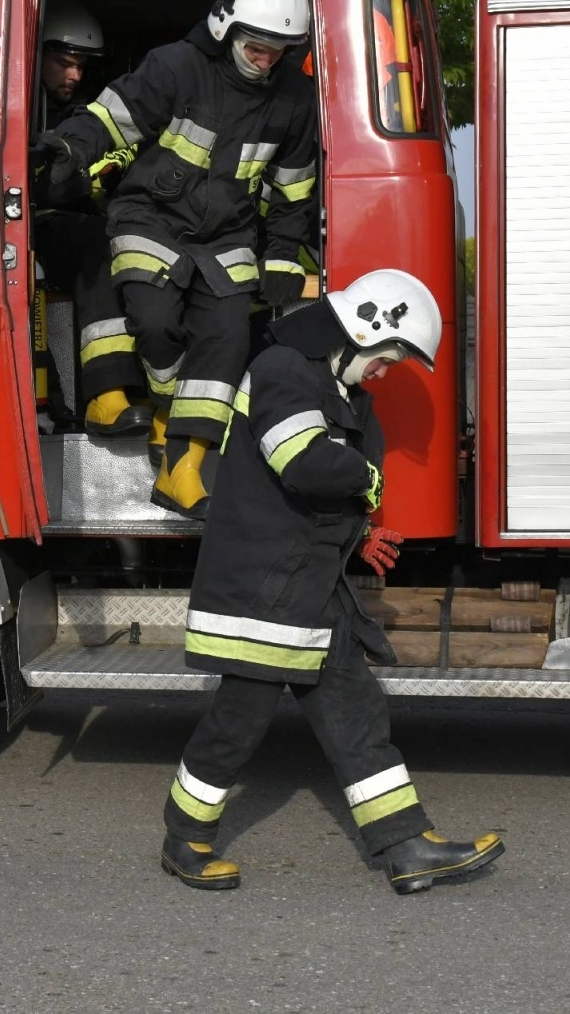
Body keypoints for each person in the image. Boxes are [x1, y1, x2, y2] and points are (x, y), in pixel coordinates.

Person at [159, 269, 505, 895]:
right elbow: (305, 462)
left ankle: (406, 846)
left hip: (308, 590)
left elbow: (311, 489)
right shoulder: (285, 370)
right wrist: (368, 482)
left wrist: (360, 533)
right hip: (264, 595)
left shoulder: (335, 391)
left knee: (356, 712)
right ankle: (184, 839)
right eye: (389, 358)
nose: (386, 371)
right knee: (237, 723)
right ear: (365, 327)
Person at [38, 0, 319, 518]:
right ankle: (164, 410)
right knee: (156, 320)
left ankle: (181, 469)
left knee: (226, 337)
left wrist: (282, 255)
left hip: (230, 234)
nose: (266, 59)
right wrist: (72, 147)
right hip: (151, 218)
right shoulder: (175, 67)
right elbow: (113, 118)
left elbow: (295, 188)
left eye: (279, 50)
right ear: (225, 27)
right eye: (257, 46)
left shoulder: (296, 99)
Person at [32, 0, 151, 438]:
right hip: (39, 227)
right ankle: (106, 395)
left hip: (91, 222)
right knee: (96, 246)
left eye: (81, 65)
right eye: (64, 63)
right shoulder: (20, 108)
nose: (74, 75)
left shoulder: (90, 115)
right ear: (36, 55)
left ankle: (145, 392)